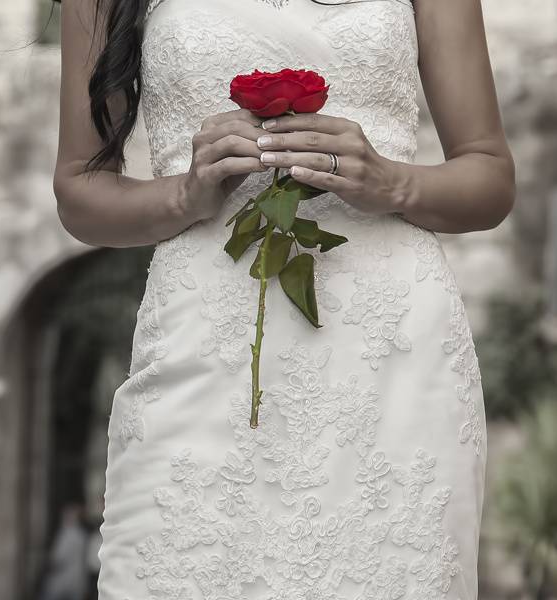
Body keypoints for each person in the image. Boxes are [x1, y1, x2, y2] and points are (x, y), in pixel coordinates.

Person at [52, 0, 514, 599]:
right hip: (201, 346)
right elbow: (79, 192)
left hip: (391, 354)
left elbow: (490, 176)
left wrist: (394, 181)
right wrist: (185, 195)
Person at [38, 503, 89, 600]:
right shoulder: (82, 535)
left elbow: (58, 558)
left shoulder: (65, 535)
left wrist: (47, 563)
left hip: (62, 580)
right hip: (78, 581)